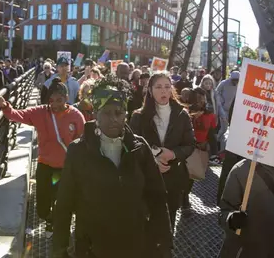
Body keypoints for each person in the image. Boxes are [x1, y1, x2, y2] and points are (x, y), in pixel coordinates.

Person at [52, 75, 173, 258]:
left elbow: (157, 198)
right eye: (106, 113)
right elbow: (64, 205)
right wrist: (60, 251)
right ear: (95, 114)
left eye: (118, 112)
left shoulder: (139, 148)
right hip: (92, 249)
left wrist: (164, 245)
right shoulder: (78, 151)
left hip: (137, 246)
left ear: (126, 114)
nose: (113, 119)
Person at [0, 78, 85, 234]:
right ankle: (49, 218)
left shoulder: (76, 115)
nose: (55, 104)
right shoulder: (40, 112)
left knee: (61, 201)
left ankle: (56, 226)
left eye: (60, 100)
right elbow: (17, 115)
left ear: (66, 98)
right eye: (52, 100)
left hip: (65, 168)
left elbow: (83, 139)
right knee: (42, 206)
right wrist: (4, 105)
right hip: (45, 165)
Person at [129, 71, 195, 226]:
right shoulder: (139, 116)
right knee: (147, 222)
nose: (163, 91)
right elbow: (132, 145)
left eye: (167, 86)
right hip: (147, 179)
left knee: (169, 220)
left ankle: (166, 249)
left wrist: (173, 154)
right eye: (158, 87)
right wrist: (153, 159)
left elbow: (190, 145)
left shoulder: (182, 114)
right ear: (150, 90)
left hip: (173, 177)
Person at [215, 70, 240, 150]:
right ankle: (217, 141)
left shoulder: (240, 85)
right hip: (223, 109)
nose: (235, 82)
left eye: (237, 80)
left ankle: (228, 146)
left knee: (233, 129)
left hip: (233, 110)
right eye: (234, 80)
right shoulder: (224, 83)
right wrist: (221, 101)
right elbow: (216, 92)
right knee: (224, 128)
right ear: (231, 78)